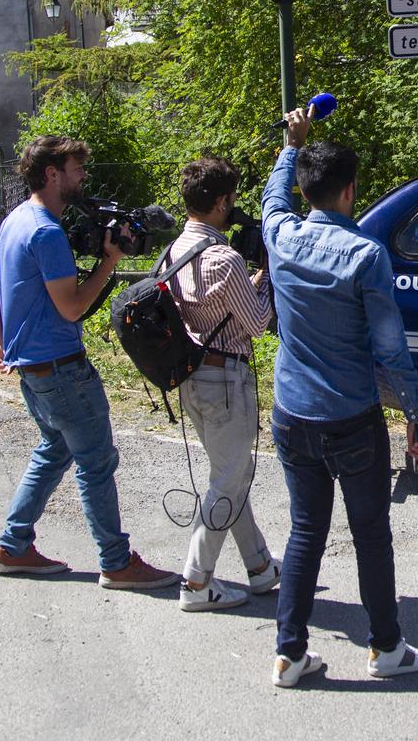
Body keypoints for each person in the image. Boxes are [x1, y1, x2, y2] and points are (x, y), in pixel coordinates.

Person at [261, 104, 418, 688]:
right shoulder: (366, 255)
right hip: (351, 418)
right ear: (350, 190)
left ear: (306, 189)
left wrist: (292, 145)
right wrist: (415, 412)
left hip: (291, 413)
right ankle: (385, 648)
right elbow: (390, 347)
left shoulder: (280, 235)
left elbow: (271, 200)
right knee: (370, 534)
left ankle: (289, 654)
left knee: (305, 532)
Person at [0, 135, 180, 591]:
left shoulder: (17, 219)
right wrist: (110, 261)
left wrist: (7, 343)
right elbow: (72, 308)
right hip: (62, 370)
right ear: (52, 174)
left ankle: (13, 545)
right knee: (96, 463)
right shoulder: (46, 232)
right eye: (76, 169)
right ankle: (116, 563)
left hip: (35, 371)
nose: (84, 176)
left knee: (55, 451)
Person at [163, 155, 280, 612]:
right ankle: (196, 583)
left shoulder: (177, 250)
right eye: (231, 199)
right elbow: (257, 322)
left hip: (193, 376)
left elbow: (211, 303)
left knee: (232, 475)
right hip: (227, 379)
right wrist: (267, 275)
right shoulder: (225, 258)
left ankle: (260, 566)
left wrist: (250, 281)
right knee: (228, 480)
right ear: (220, 203)